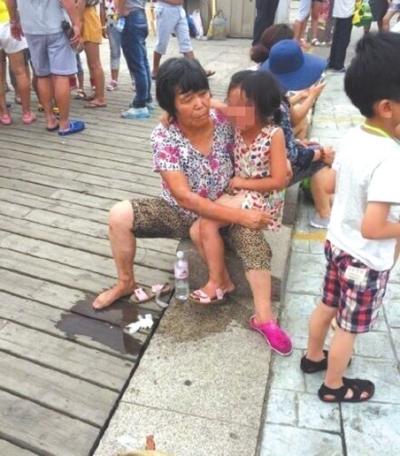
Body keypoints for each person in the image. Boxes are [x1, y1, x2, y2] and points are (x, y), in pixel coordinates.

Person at [92, 58, 290, 353]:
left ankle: (265, 318)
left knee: (255, 246)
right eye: (187, 99)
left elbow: (260, 116)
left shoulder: (224, 118)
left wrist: (285, 164)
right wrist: (240, 215)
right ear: (171, 107)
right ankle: (126, 282)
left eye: (203, 94)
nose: (199, 104)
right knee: (119, 215)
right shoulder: (164, 136)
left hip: (229, 206)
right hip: (181, 212)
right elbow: (184, 197)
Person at [302, 32, 400, 403]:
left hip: (337, 247)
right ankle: (333, 385)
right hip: (364, 260)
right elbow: (373, 227)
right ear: (387, 107)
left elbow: (330, 184)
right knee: (348, 327)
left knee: (327, 305)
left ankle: (313, 356)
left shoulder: (353, 136)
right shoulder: (390, 158)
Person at [189, 70, 292, 356]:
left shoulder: (273, 135)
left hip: (260, 198)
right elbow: (213, 104)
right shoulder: (236, 121)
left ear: (264, 108)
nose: (234, 112)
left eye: (243, 106)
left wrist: (242, 182)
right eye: (231, 104)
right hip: (239, 194)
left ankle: (222, 287)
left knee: (207, 223)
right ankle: (224, 279)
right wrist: (169, 116)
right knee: (195, 230)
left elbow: (279, 180)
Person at [260, 39, 334, 228]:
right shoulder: (278, 107)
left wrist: (300, 144)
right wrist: (320, 153)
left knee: (312, 146)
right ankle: (324, 215)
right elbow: (292, 155)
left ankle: (326, 202)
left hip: (258, 162)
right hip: (265, 174)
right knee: (321, 158)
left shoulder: (266, 93)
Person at [6, 0, 85, 135]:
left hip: (31, 28)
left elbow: (10, 1)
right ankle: (64, 124)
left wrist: (14, 21)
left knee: (42, 75)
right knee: (61, 75)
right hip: (56, 25)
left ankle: (50, 119)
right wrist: (76, 24)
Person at [151, 0, 214, 80]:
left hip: (179, 9)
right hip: (165, 9)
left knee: (186, 42)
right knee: (161, 43)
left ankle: (197, 70)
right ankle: (155, 70)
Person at [0, 0, 35, 125]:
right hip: (7, 22)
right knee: (20, 72)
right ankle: (26, 113)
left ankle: (4, 114)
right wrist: (14, 19)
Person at [117, 0, 153, 119]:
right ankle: (146, 98)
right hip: (141, 14)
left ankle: (140, 104)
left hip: (131, 15)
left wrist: (120, 11)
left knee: (137, 64)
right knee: (142, 61)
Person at [79, 0, 106, 108]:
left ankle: (100, 97)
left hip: (87, 21)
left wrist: (79, 31)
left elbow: (80, 7)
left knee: (95, 64)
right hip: (89, 17)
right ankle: (98, 93)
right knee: (92, 64)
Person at [327, 0, 355, 72]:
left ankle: (332, 61)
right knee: (344, 38)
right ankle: (338, 64)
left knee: (337, 36)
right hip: (347, 10)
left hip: (340, 9)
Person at [100, 0, 122, 90]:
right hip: (111, 19)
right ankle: (114, 80)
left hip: (126, 18)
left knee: (130, 51)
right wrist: (103, 26)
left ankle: (134, 80)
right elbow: (102, 7)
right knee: (114, 51)